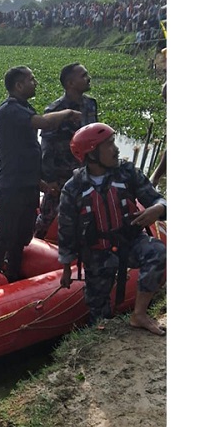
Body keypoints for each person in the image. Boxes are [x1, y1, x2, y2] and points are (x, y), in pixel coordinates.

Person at [57, 123, 167, 336]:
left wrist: (158, 208)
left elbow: (156, 198)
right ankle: (100, 336)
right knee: (97, 306)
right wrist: (65, 267)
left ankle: (140, 314)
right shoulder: (73, 188)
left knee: (157, 252)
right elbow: (66, 229)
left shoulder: (127, 173)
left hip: (130, 241)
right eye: (109, 145)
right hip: (97, 252)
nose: (116, 149)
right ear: (91, 154)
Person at [0, 66, 81, 282]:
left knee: (21, 237)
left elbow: (25, 157)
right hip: (12, 188)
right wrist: (68, 113)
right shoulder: (10, 109)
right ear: (19, 85)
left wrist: (42, 184)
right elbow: (45, 123)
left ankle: (12, 275)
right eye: (31, 79)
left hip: (27, 186)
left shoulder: (23, 107)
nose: (36, 82)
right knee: (5, 235)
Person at [34, 63, 99, 239]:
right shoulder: (55, 110)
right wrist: (50, 179)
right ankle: (35, 243)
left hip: (86, 172)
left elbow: (96, 138)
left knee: (88, 212)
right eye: (83, 75)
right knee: (47, 215)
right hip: (61, 173)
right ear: (70, 83)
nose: (88, 78)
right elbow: (46, 147)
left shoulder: (91, 105)